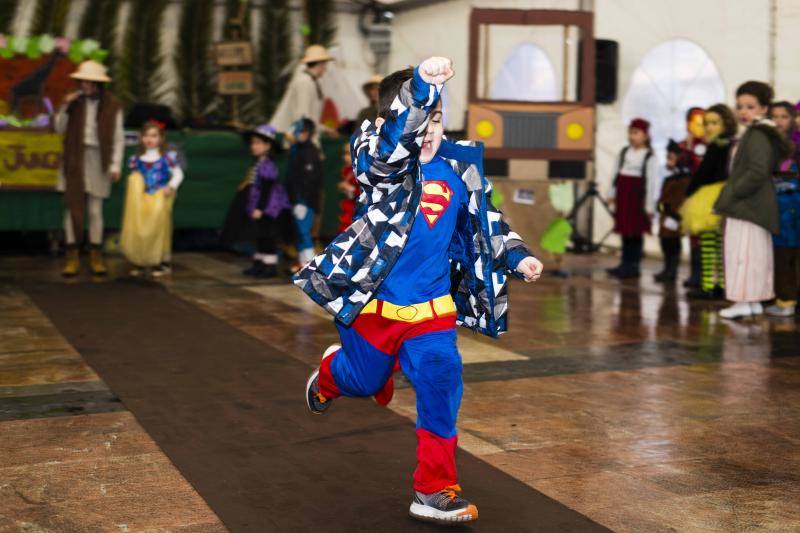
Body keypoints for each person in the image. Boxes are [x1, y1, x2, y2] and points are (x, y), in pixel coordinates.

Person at [295, 57, 543, 525]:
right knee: (364, 381)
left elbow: (486, 222)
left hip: (432, 312)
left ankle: (433, 489)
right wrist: (421, 91)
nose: (428, 131)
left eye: (437, 119)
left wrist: (516, 256)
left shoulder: (459, 170)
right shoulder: (378, 162)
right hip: (372, 307)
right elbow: (392, 146)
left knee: (441, 385)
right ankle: (330, 375)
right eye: (420, 119)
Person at [714, 81, 792, 319]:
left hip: (748, 205)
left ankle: (744, 301)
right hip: (750, 204)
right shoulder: (757, 132)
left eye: (750, 106)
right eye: (739, 106)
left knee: (742, 255)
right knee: (752, 254)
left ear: (764, 108)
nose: (743, 112)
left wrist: (735, 191)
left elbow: (758, 171)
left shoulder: (758, 134)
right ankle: (751, 302)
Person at [55, 60, 124, 276]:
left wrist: (115, 164)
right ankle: (72, 256)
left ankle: (96, 255)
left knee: (95, 210)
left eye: (89, 81)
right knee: (72, 208)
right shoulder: (74, 102)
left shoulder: (112, 105)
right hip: (74, 157)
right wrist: (65, 106)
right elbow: (58, 128)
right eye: (82, 81)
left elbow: (118, 138)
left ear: (98, 83)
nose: (84, 85)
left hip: (99, 158)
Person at [681, 103, 738, 299]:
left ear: (726, 123)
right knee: (719, 245)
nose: (709, 127)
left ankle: (707, 286)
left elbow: (704, 171)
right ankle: (720, 285)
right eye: (707, 123)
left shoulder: (717, 144)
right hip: (724, 194)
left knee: (708, 243)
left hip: (710, 196)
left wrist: (690, 191)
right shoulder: (732, 142)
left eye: (715, 122)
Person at [119, 120, 184, 277]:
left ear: (161, 138)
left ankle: (161, 262)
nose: (150, 139)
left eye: (154, 136)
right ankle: (141, 260)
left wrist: (171, 186)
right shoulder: (136, 160)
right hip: (141, 200)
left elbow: (178, 174)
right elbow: (135, 179)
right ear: (141, 138)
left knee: (159, 228)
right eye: (146, 135)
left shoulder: (166, 158)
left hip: (159, 198)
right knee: (140, 228)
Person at [606, 118, 658, 279]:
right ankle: (625, 263)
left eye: (636, 133)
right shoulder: (624, 152)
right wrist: (611, 193)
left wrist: (649, 206)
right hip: (624, 194)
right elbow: (615, 174)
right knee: (625, 230)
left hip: (637, 197)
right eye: (630, 132)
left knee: (635, 232)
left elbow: (651, 182)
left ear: (645, 136)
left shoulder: (649, 156)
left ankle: (634, 265)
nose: (632, 136)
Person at [239, 124, 292, 278]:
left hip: (269, 207)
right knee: (259, 234)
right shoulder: (259, 163)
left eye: (258, 143)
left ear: (268, 146)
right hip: (259, 204)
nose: (253, 146)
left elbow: (267, 189)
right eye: (252, 143)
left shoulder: (268, 165)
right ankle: (260, 263)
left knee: (268, 234)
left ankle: (270, 266)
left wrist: (260, 208)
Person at [765, 101, 800, 316]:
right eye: (774, 116)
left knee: (789, 255)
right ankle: (786, 298)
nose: (778, 121)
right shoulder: (768, 144)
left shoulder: (795, 145)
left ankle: (788, 301)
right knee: (780, 255)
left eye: (784, 116)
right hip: (776, 207)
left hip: (792, 207)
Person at [270, 44, 337, 142]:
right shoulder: (304, 82)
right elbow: (302, 116)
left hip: (307, 137)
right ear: (320, 63)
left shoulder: (312, 81)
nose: (325, 68)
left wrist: (325, 129)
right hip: (302, 140)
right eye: (325, 64)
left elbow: (310, 116)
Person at [286, 118, 324, 268]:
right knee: (300, 232)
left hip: (305, 200)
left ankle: (310, 265)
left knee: (303, 231)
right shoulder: (298, 150)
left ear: (306, 133)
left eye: (299, 130)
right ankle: (303, 262)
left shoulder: (308, 152)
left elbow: (310, 180)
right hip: (298, 199)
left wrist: (302, 202)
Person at [679, 107, 709, 289]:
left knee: (707, 237)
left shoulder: (712, 145)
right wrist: (688, 147)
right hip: (691, 197)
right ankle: (695, 275)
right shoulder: (684, 145)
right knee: (694, 236)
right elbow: (679, 164)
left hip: (708, 197)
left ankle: (707, 278)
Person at [654, 140, 690, 282]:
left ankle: (672, 271)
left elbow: (678, 200)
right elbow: (664, 199)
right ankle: (667, 268)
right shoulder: (670, 179)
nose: (668, 162)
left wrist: (671, 212)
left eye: (671, 158)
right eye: (667, 158)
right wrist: (661, 207)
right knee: (665, 242)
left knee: (672, 243)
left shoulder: (683, 180)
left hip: (674, 217)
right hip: (666, 216)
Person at [336, 141, 360, 233]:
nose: (345, 157)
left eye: (348, 154)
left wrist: (350, 189)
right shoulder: (347, 170)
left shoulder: (360, 171)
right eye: (344, 154)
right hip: (348, 210)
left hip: (356, 212)